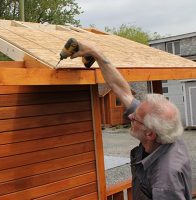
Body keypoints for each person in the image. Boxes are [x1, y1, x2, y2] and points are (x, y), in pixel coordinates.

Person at [71, 41, 192, 200]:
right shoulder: (166, 131)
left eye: (136, 118)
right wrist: (96, 53)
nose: (130, 116)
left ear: (150, 134)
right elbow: (121, 89)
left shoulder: (164, 180)